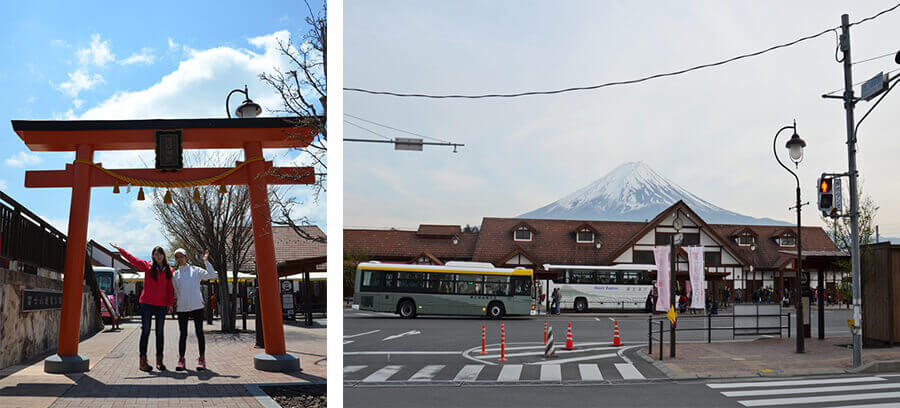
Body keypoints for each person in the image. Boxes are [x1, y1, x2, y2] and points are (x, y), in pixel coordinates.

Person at [113, 244, 174, 372]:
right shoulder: (148, 267)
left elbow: (170, 289)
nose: (158, 256)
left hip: (162, 306)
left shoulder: (169, 270)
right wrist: (121, 250)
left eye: (160, 254)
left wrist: (170, 304)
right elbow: (133, 259)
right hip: (147, 304)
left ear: (164, 256)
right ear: (153, 256)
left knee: (160, 333)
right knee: (145, 331)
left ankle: (159, 361)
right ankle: (143, 361)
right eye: (156, 254)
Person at [172, 248, 218, 371]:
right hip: (182, 307)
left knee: (199, 333)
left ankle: (202, 358)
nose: (179, 259)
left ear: (186, 257)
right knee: (183, 334)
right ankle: (181, 359)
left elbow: (212, 275)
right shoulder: (175, 275)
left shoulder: (195, 270)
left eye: (181, 256)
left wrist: (206, 261)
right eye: (177, 257)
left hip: (197, 305)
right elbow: (176, 292)